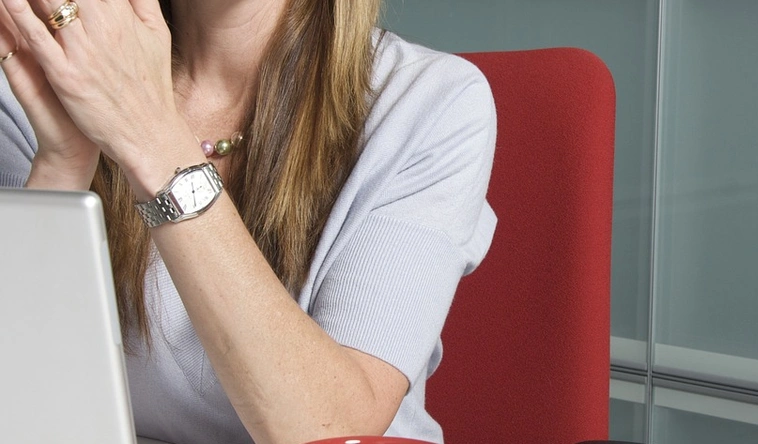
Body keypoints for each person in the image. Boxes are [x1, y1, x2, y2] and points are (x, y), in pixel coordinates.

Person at [0, 0, 496, 442]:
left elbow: (333, 431)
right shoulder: (44, 84)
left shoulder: (433, 103)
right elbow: (19, 406)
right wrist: (62, 164)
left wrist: (149, 136)